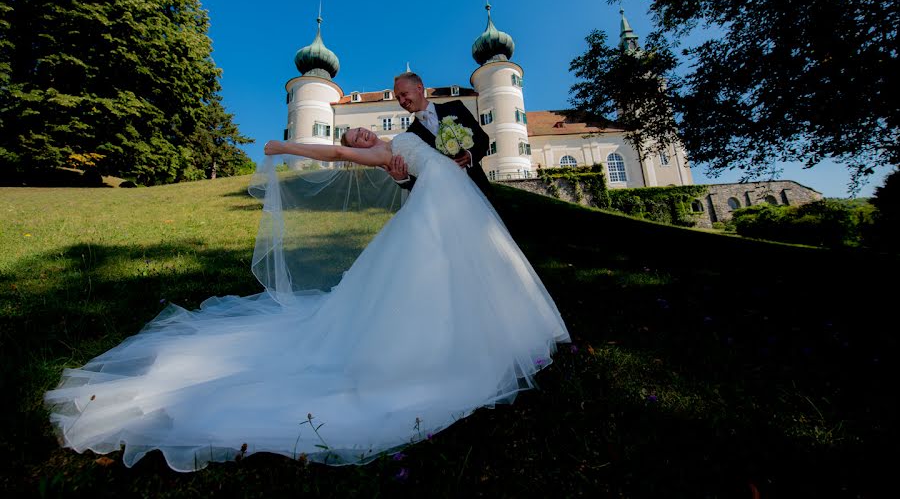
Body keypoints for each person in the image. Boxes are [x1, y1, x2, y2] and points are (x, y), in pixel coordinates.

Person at [44, 128, 569, 471]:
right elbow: (337, 152)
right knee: (416, 276)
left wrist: (452, 156)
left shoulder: (406, 140)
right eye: (354, 134)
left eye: (361, 131)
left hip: (453, 203)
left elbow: (423, 165)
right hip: (438, 207)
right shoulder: (384, 149)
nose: (358, 135)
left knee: (472, 260)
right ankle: (434, 349)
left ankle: (505, 330)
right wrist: (284, 149)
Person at [385, 72, 493, 198]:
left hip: (478, 187)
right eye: (398, 98)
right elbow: (419, 182)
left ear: (419, 88)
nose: (402, 101)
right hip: (444, 197)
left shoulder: (455, 107)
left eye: (404, 94)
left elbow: (482, 139)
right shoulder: (410, 135)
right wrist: (403, 179)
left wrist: (470, 155)